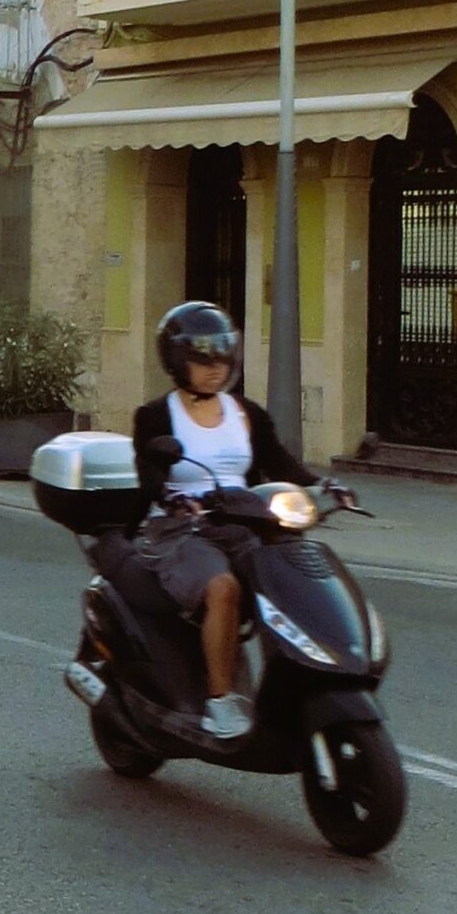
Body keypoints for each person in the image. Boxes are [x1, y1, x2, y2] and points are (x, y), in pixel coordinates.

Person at [132, 300, 316, 741]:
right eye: (202, 359)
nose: (215, 368)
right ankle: (220, 700)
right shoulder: (157, 416)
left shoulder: (245, 414)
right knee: (222, 587)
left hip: (242, 522)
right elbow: (150, 474)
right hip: (181, 530)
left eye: (221, 357)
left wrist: (323, 486)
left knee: (291, 579)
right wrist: (173, 498)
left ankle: (296, 681)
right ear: (177, 362)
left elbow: (279, 462)